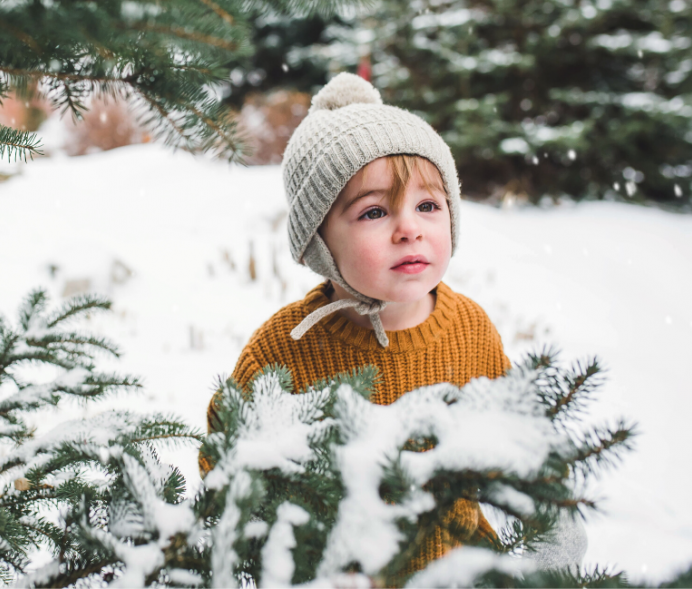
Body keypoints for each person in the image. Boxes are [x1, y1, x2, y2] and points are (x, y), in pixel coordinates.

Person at [204, 71, 517, 573]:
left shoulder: (470, 329)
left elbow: (517, 438)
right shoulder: (286, 349)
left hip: (457, 570)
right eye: (374, 213)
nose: (409, 229)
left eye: (429, 205)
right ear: (320, 241)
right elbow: (224, 461)